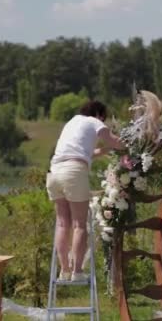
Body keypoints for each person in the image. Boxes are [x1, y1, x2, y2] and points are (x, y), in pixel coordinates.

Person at [46, 101, 123, 281]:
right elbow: (113, 140)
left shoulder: (72, 122)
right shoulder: (95, 122)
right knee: (79, 224)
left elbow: (83, 151)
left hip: (54, 172)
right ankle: (77, 272)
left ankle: (64, 270)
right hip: (73, 172)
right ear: (99, 114)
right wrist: (130, 145)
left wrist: (103, 151)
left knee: (62, 223)